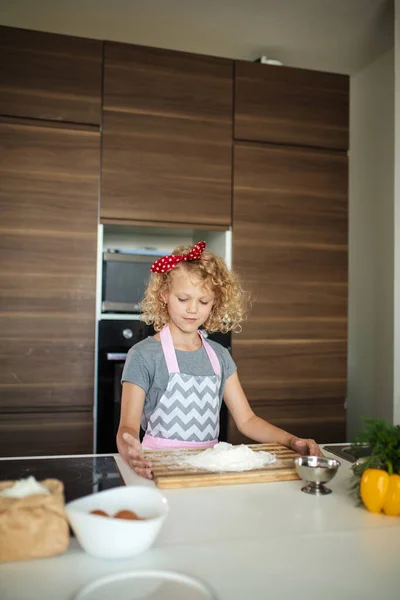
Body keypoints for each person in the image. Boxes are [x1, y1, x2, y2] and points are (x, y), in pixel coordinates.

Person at [117, 241, 322, 478]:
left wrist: (291, 440)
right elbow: (128, 427)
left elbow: (247, 420)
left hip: (208, 470)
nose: (193, 309)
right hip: (158, 469)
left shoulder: (219, 356)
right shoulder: (143, 355)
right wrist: (130, 449)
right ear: (164, 295)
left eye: (203, 301)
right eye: (183, 299)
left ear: (215, 303)